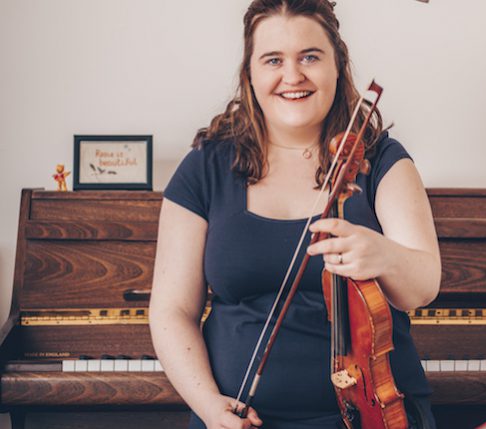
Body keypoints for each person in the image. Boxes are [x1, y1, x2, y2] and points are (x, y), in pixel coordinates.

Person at [148, 1, 441, 428]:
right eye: (273, 60)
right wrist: (210, 407)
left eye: (310, 56)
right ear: (250, 73)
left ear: (337, 66)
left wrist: (384, 255)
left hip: (369, 416)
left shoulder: (381, 161)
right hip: (237, 419)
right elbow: (171, 309)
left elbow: (423, 286)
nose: (293, 75)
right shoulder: (205, 166)